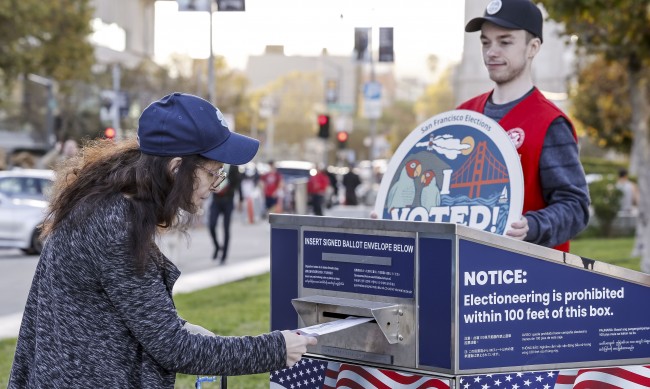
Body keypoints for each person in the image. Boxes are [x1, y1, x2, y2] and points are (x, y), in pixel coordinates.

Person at [8, 92, 316, 388]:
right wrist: (275, 348)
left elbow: (125, 311)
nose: (215, 185)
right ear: (176, 167)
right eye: (212, 173)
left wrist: (179, 326)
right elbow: (173, 348)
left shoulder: (108, 206)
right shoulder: (114, 225)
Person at [458, 0, 590, 252]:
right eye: (486, 42)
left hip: (526, 283)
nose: (491, 52)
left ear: (533, 47)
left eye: (505, 42)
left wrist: (532, 226)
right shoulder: (462, 115)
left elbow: (576, 207)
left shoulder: (549, 122)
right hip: (468, 272)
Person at [208, 163, 242, 263]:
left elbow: (238, 182)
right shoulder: (217, 164)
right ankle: (217, 246)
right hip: (216, 200)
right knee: (211, 224)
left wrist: (241, 199)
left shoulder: (234, 166)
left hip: (228, 200)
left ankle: (224, 255)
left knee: (226, 228)